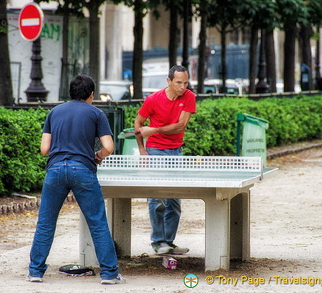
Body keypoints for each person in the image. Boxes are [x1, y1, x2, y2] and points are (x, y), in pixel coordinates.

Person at [27, 74, 125, 285]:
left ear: (70, 93)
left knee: (45, 223)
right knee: (97, 223)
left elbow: (44, 149)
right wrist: (96, 156)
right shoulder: (96, 113)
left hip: (55, 170)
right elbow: (108, 147)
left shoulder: (55, 112)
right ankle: (109, 274)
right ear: (91, 95)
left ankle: (35, 271)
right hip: (83, 170)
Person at [134, 65, 196, 255]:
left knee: (174, 200)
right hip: (156, 150)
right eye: (178, 82)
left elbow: (180, 126)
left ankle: (168, 242)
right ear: (168, 81)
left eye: (185, 82)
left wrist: (154, 130)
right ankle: (158, 241)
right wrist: (142, 150)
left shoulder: (189, 97)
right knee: (157, 198)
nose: (182, 86)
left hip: (176, 151)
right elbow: (138, 123)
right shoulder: (153, 99)